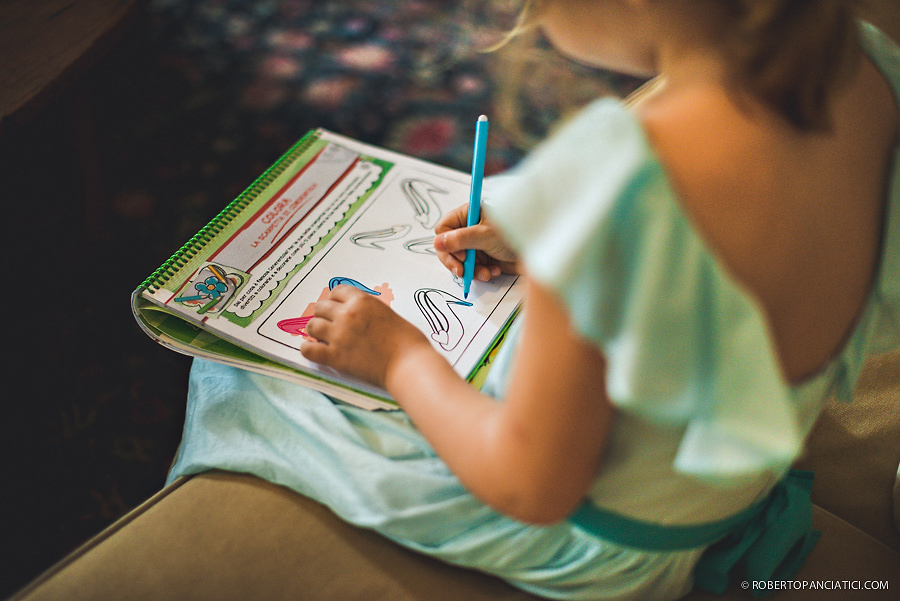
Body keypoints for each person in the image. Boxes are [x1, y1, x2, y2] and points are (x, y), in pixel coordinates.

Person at [169, 1, 900, 599]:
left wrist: (399, 357)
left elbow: (530, 484)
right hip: (721, 492)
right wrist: (559, 254)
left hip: (602, 551)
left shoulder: (608, 190)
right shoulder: (862, 67)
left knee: (238, 374)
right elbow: (728, 276)